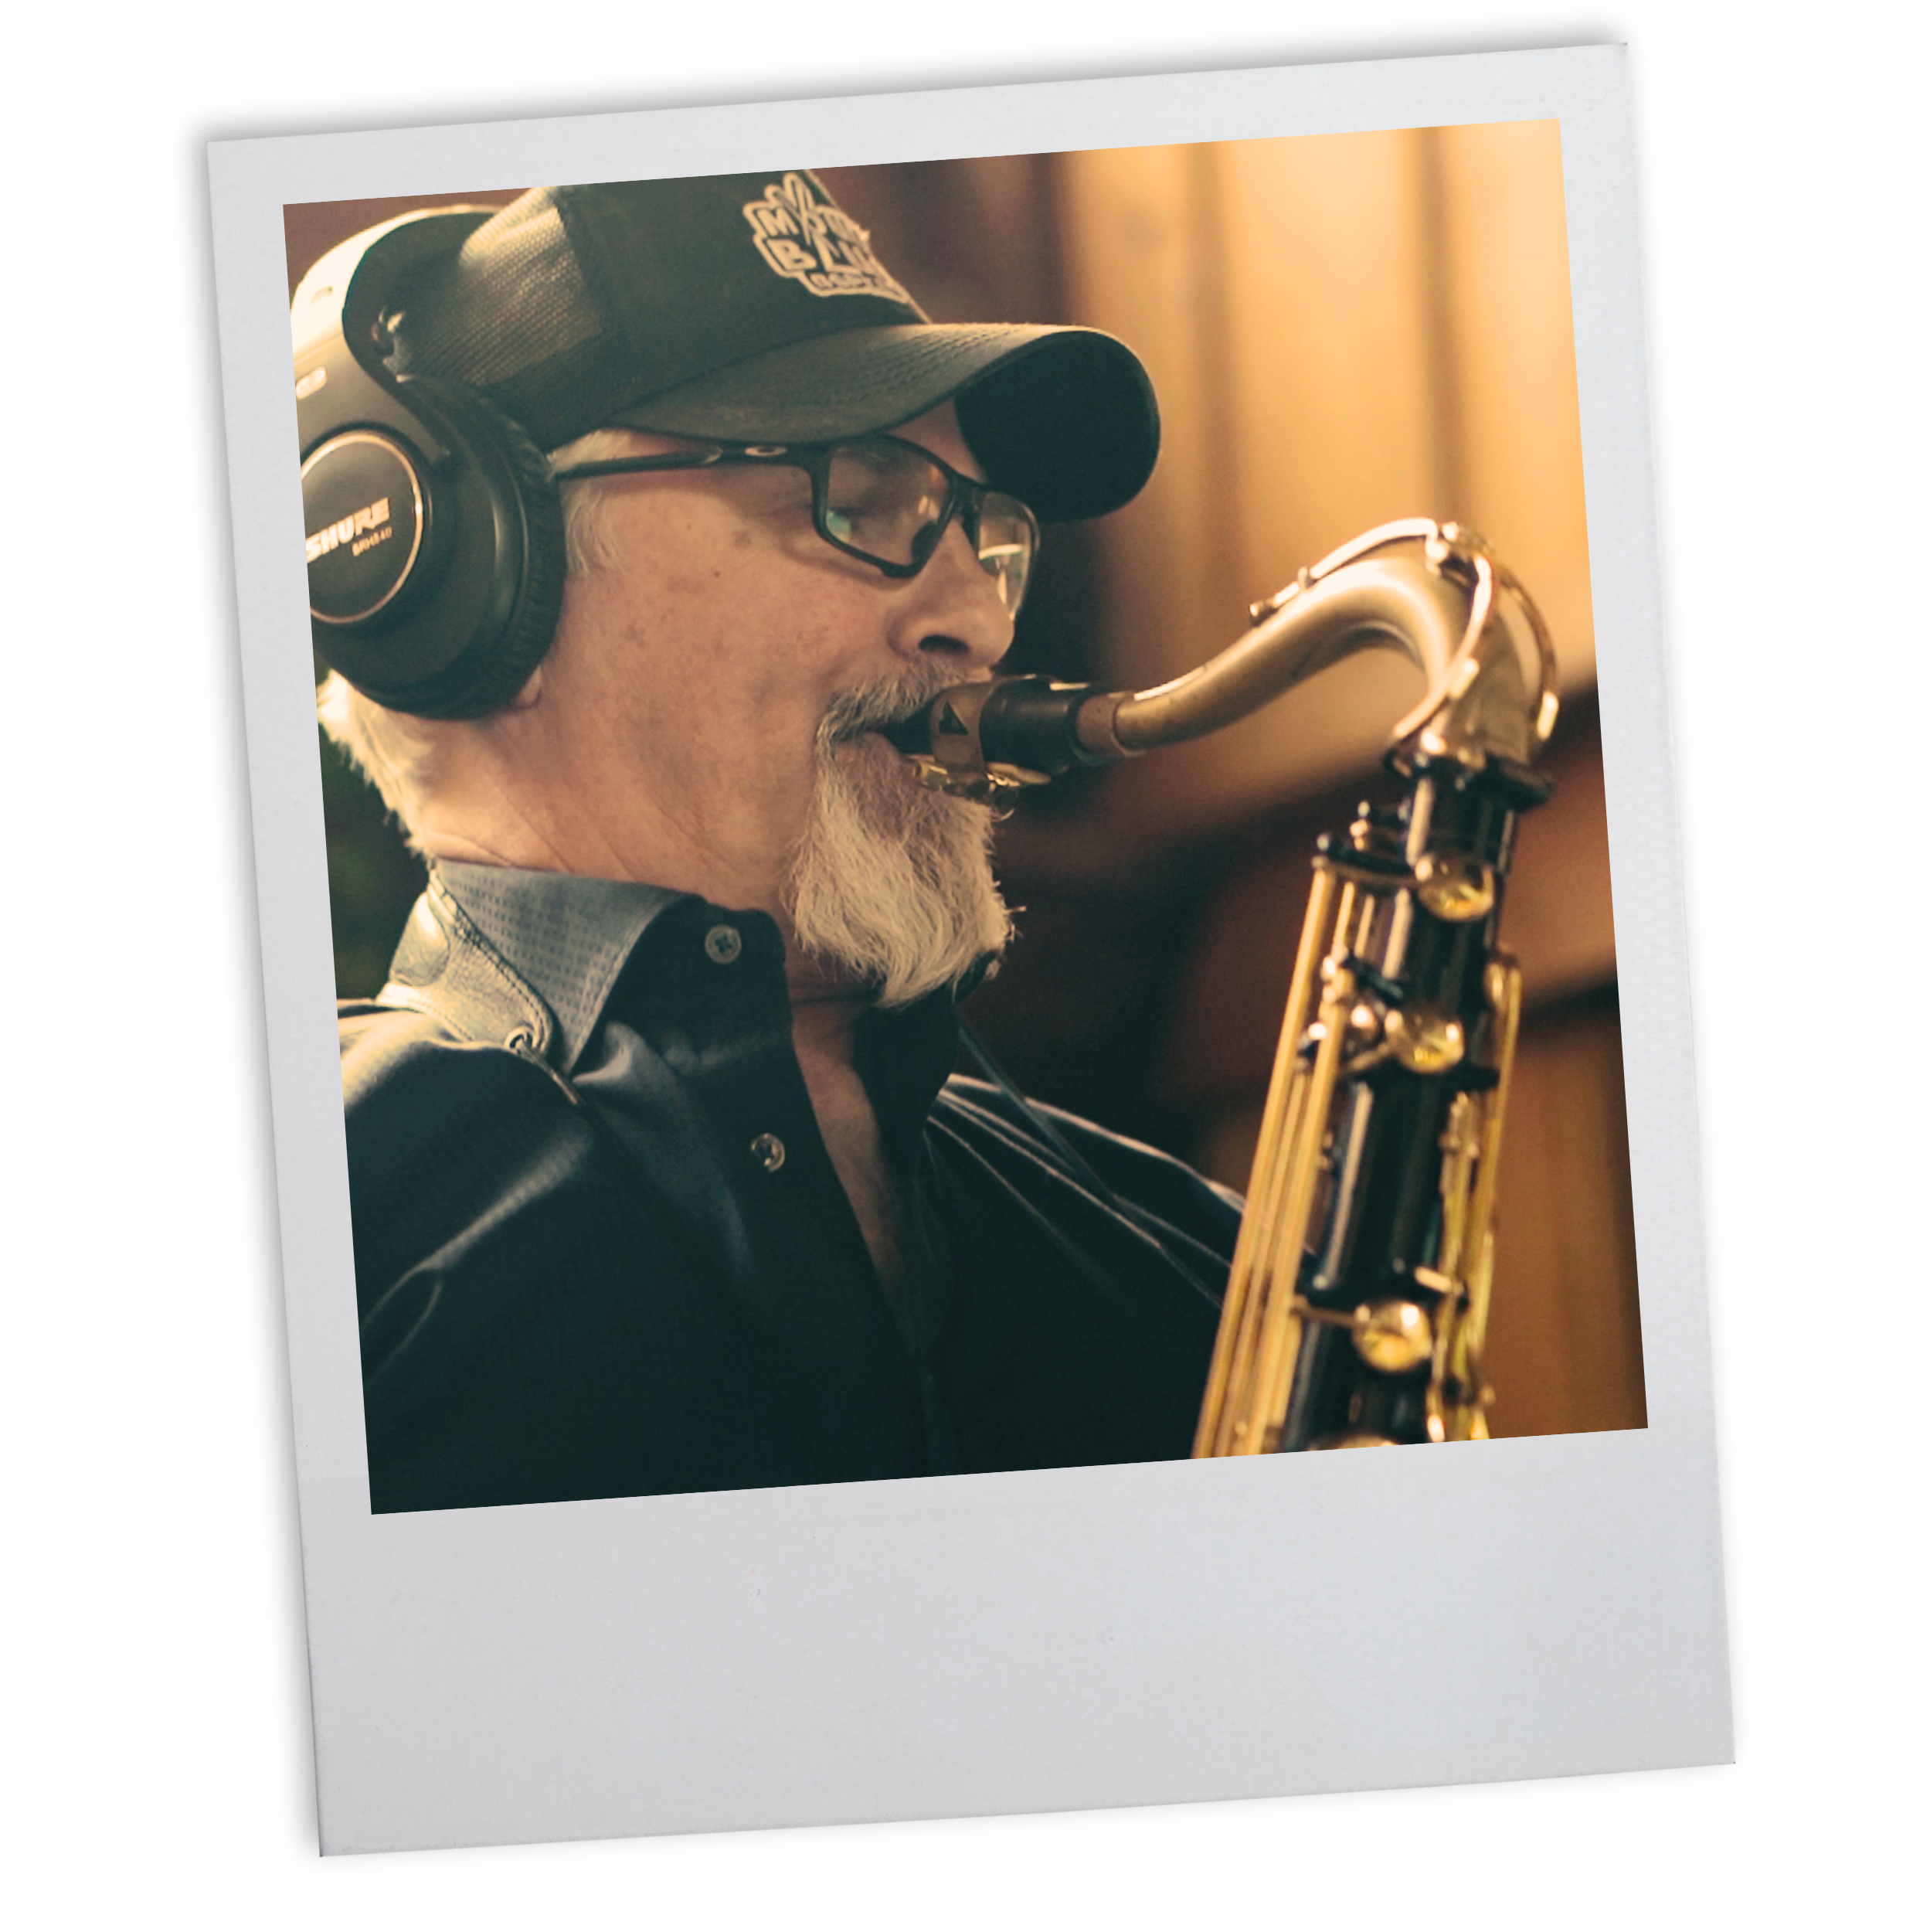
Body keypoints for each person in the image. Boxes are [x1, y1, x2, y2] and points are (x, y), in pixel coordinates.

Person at [311, 173, 1241, 1512]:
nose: (978, 619)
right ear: (478, 584)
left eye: (990, 536)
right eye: (860, 495)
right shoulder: (336, 1235)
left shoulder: (1192, 1264)